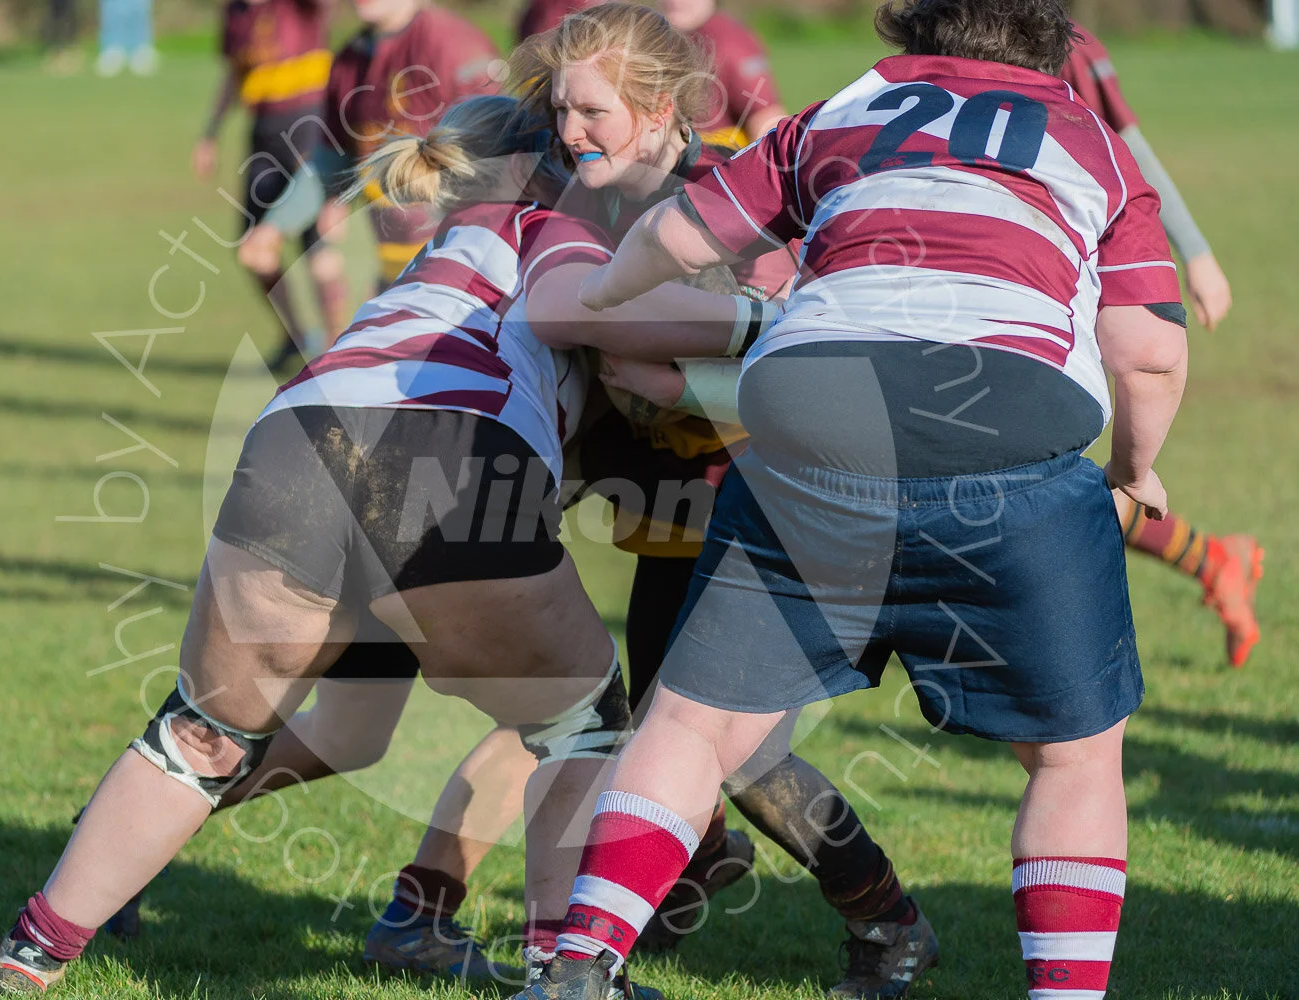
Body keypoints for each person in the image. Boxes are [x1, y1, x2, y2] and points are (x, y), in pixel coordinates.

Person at [0, 93, 757, 997]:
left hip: (294, 440)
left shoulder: (437, 253)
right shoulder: (551, 225)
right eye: (561, 149)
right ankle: (565, 976)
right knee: (580, 724)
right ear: (525, 169)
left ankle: (33, 950)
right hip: (448, 462)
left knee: (201, 734)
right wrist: (759, 326)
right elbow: (607, 324)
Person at [514, 2, 1190, 1000]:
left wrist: (609, 294)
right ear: (1049, 42)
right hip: (1009, 439)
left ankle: (577, 969)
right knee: (1073, 760)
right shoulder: (1087, 138)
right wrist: (1134, 468)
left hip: (809, 428)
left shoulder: (852, 104)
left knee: (690, 729)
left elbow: (684, 231)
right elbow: (1151, 351)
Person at [507, 3, 938, 984]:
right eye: (560, 109)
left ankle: (887, 917)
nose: (568, 132)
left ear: (661, 114)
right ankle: (690, 864)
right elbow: (576, 327)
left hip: (778, 509)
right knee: (662, 740)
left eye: (593, 113)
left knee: (736, 754)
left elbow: (801, 345)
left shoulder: (731, 196)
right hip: (667, 524)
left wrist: (682, 366)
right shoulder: (569, 201)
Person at [1062, 21, 1261, 668]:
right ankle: (1215, 562)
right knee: (1056, 484)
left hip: (1068, 287)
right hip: (1007, 283)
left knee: (1052, 483)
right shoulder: (953, 26)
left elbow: (1129, 153)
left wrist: (1197, 254)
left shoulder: (1060, 39)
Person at [238, 0, 502, 298]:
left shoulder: (452, 45)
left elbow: (501, 154)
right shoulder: (350, 61)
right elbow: (332, 160)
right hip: (392, 265)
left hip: (460, 267)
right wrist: (276, 225)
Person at [194, 0, 352, 368]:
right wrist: (210, 134)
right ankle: (298, 337)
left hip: (310, 129)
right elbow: (233, 74)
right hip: (263, 138)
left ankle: (337, 353)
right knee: (253, 248)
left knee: (319, 251)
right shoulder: (235, 13)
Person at [659, 0, 787, 147]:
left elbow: (765, 117)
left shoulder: (730, 41)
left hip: (713, 163)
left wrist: (760, 167)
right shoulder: (655, 36)